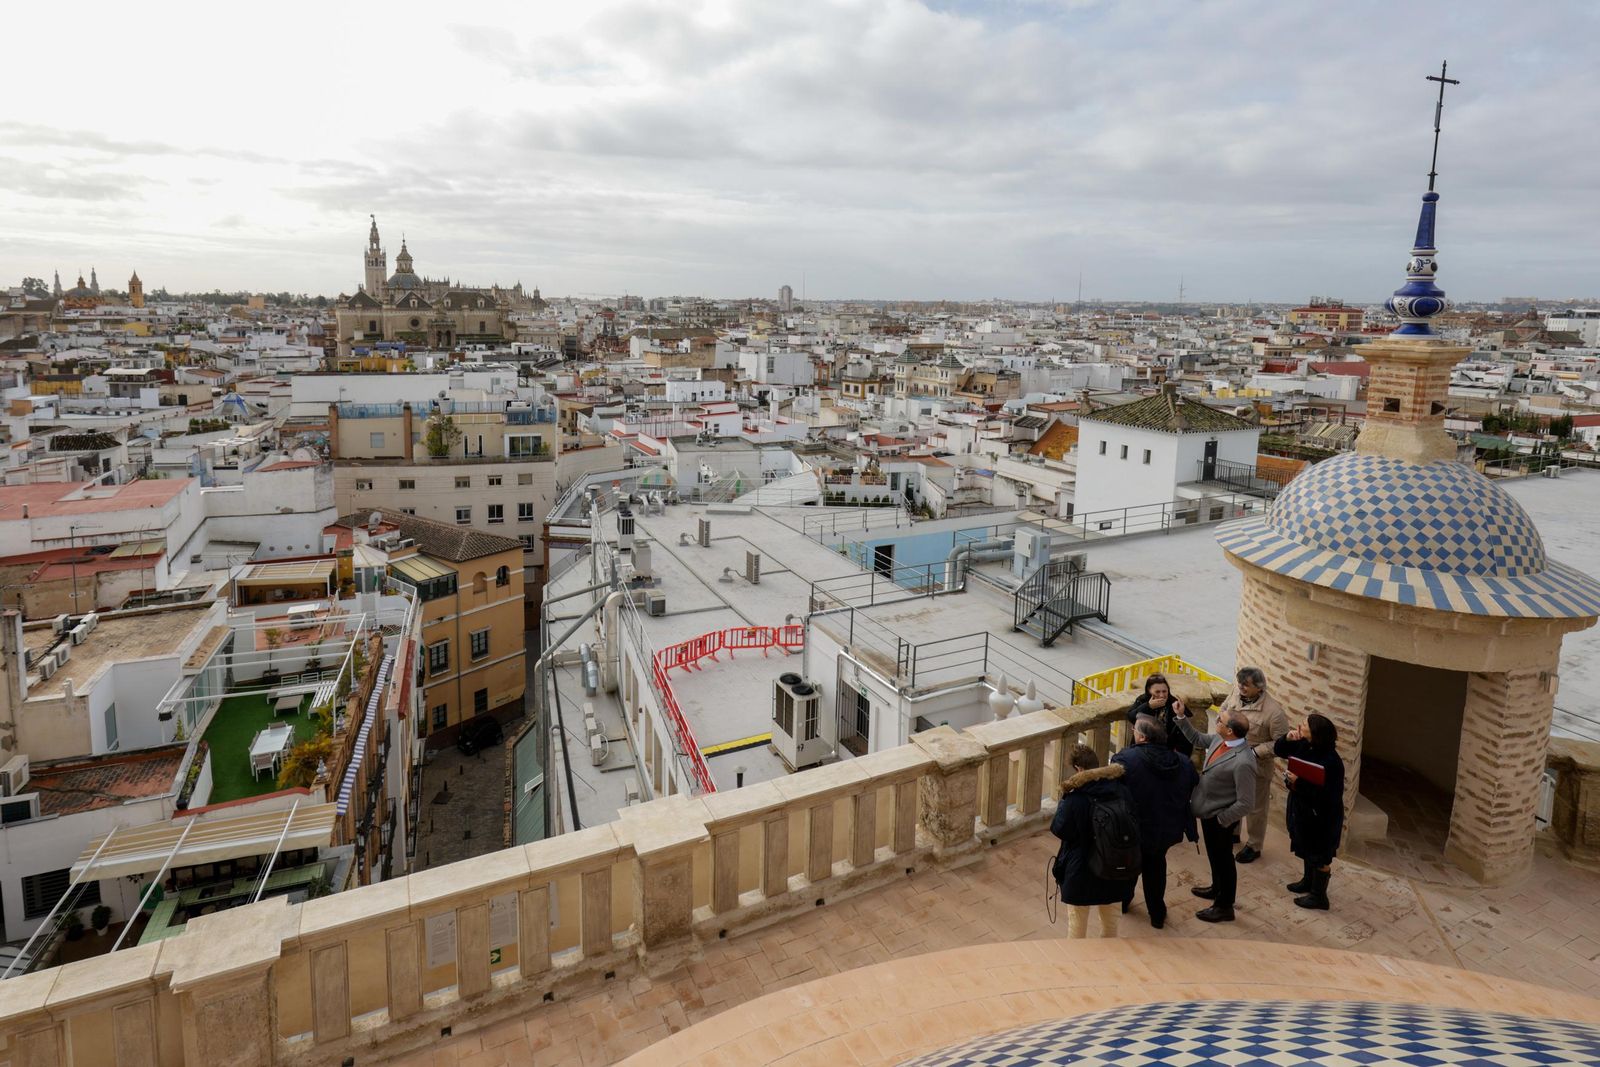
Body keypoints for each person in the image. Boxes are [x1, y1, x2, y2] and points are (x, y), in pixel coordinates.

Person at [1111, 715, 1198, 928]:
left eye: (1135, 730)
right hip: (1167, 826)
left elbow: (1115, 790)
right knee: (1156, 866)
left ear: (1142, 737)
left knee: (1130, 865)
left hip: (1135, 827)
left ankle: (1123, 902)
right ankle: (1157, 913)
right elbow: (1192, 783)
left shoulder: (1126, 759)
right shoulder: (1184, 763)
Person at [1172, 702, 1255, 923]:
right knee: (1215, 857)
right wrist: (1181, 717)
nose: (1216, 720)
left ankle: (1224, 906)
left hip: (1220, 819)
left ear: (1230, 730)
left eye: (1220, 720)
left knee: (1224, 861)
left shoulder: (1243, 762)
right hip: (1209, 813)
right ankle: (1216, 888)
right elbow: (1198, 739)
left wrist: (1221, 819)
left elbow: (1246, 802)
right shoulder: (1220, 739)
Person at [1050, 743, 1136, 939]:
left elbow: (1059, 829)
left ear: (1079, 768)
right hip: (1115, 866)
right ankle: (1106, 955)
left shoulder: (1075, 798)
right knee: (1110, 925)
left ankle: (1078, 958)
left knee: (1077, 926)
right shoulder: (1121, 790)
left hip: (1082, 868)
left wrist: (1065, 798)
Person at [1273, 713, 1346, 910]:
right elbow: (1279, 750)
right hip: (1303, 809)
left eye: (1304, 724)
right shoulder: (1304, 745)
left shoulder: (1332, 761)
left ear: (1315, 733)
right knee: (1306, 847)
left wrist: (1299, 782)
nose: (1300, 725)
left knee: (1320, 854)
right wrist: (1287, 738)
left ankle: (1318, 896)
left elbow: (1329, 795)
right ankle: (1308, 881)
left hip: (1322, 816)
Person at [1219, 667, 1289, 864]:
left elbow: (1281, 744)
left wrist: (1255, 752)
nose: (1241, 687)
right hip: (1232, 759)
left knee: (1255, 808)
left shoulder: (1274, 713)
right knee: (1232, 798)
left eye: (1246, 685)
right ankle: (1233, 832)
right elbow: (1224, 708)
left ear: (1259, 687)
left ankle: (1254, 845)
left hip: (1256, 766)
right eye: (1240, 683)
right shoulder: (1236, 692)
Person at [1126, 673, 1195, 757]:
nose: (1162, 695)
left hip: (1165, 752)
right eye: (1157, 692)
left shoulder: (1174, 704)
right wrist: (1148, 707)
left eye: (1164, 691)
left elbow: (1185, 734)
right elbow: (1131, 717)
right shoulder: (1143, 700)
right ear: (1149, 691)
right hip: (1142, 748)